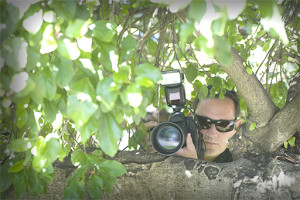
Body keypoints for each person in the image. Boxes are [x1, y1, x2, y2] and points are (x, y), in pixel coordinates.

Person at [145, 87, 242, 163]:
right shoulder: (166, 146)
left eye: (224, 125)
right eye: (203, 122)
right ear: (191, 118)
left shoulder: (242, 167)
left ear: (236, 126)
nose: (212, 134)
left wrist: (192, 164)